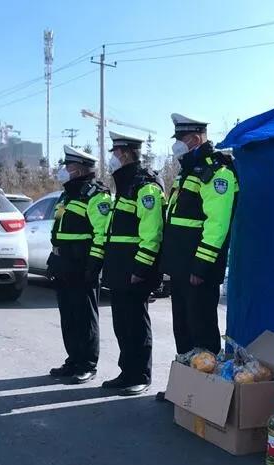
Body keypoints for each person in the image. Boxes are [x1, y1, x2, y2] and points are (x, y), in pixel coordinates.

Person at [158, 114, 238, 397]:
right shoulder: (188, 172)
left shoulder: (217, 172)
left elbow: (217, 225)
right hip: (181, 267)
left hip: (198, 269)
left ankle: (205, 396)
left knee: (202, 332)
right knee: (183, 329)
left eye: (181, 139)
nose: (177, 145)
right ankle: (184, 390)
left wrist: (201, 266)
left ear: (195, 138)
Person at [96, 131, 164, 396]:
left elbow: (152, 233)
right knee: (122, 324)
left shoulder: (145, 185)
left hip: (135, 269)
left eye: (114, 153)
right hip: (120, 268)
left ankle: (141, 375)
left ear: (124, 154)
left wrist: (141, 268)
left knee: (136, 325)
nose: (112, 158)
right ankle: (127, 372)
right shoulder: (125, 184)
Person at [47, 146, 112, 384]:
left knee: (85, 317)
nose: (64, 170)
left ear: (80, 170)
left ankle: (87, 364)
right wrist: (53, 259)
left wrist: (94, 264)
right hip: (62, 263)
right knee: (68, 317)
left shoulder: (96, 196)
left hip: (81, 264)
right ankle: (73, 360)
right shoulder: (68, 195)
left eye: (68, 166)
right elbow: (58, 230)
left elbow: (101, 234)